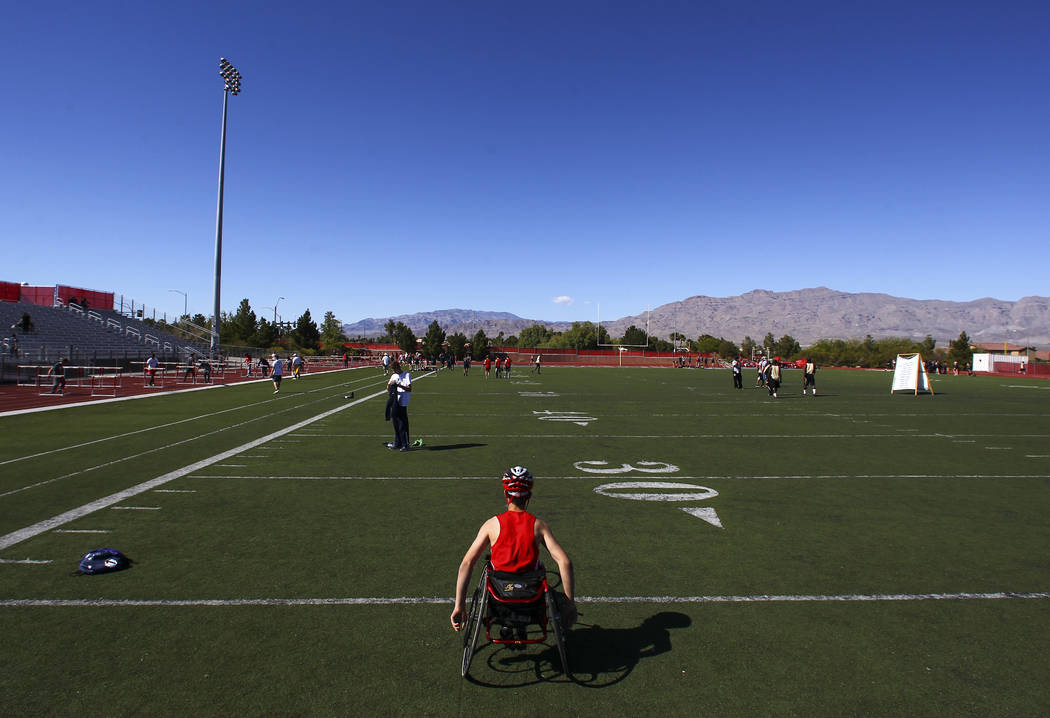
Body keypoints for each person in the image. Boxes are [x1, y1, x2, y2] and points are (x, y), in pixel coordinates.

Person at [451, 466, 576, 633]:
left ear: (505, 495)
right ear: (529, 497)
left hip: (500, 596)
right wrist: (569, 602)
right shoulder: (539, 526)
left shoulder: (491, 524)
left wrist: (459, 606)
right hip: (531, 596)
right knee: (555, 594)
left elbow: (467, 563)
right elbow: (564, 561)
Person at [385, 360, 412, 451]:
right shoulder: (394, 375)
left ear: (397, 367)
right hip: (395, 402)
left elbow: (409, 389)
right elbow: (387, 387)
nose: (393, 371)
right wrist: (390, 387)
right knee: (396, 423)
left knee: (402, 424)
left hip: (403, 402)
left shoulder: (406, 375)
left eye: (394, 369)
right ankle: (398, 442)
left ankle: (406, 444)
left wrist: (399, 385)